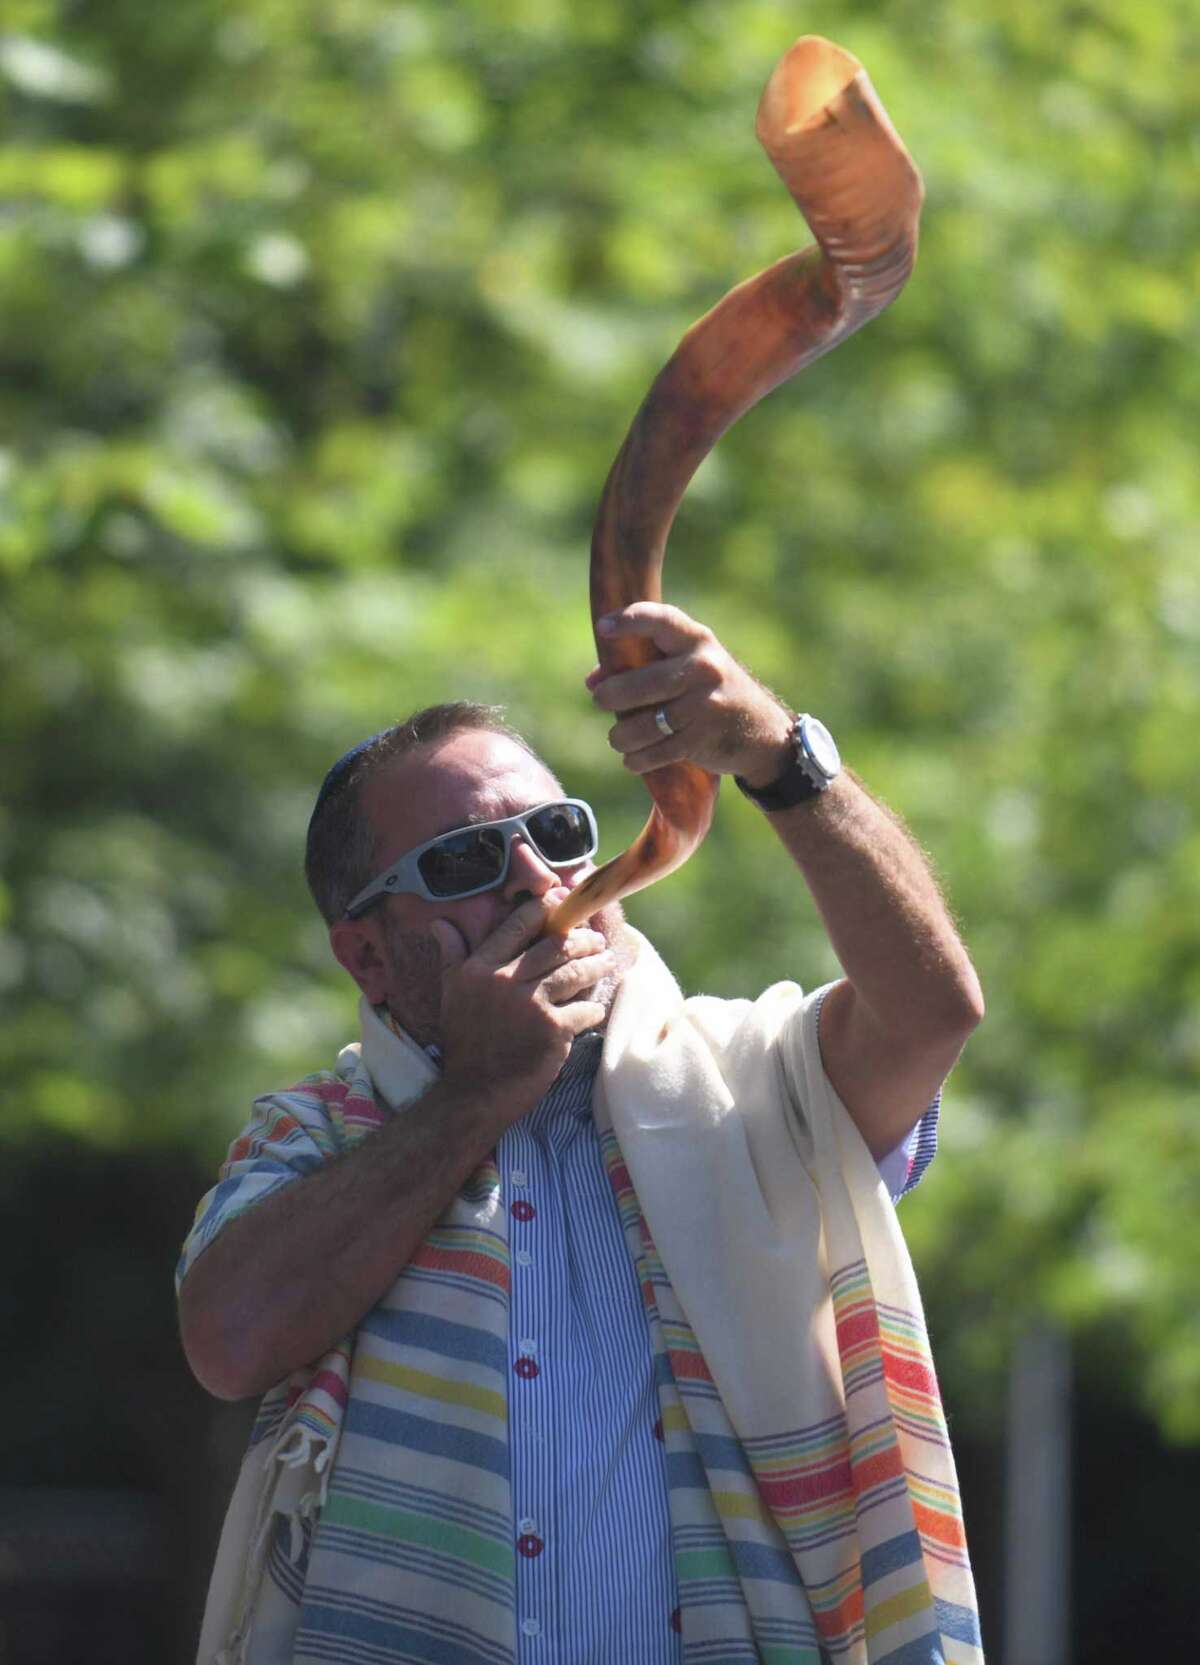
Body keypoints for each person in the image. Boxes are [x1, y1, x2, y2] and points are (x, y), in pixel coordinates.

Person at [178, 602, 985, 1665]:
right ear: (367, 957)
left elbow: (932, 1014)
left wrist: (777, 757)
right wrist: (478, 1093)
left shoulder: (742, 1078)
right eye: (466, 862)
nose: (536, 877)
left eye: (558, 833)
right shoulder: (319, 1135)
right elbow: (230, 1339)